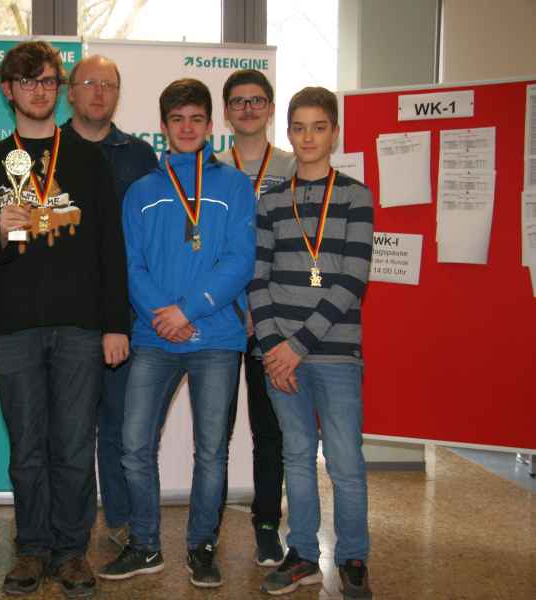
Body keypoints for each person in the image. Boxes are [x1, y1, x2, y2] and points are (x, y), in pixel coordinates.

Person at [0, 41, 130, 599]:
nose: (39, 90)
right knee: (27, 448)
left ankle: (71, 551)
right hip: (12, 328)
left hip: (81, 326)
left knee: (74, 447)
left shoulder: (87, 158)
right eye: (27, 80)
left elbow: (111, 248)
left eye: (48, 81)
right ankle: (32, 548)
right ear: (7, 90)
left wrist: (116, 324)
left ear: (58, 90)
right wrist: (4, 229)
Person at [98, 78, 255, 589]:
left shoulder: (235, 187)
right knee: (133, 445)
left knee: (211, 451)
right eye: (177, 119)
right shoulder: (143, 191)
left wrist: (187, 310)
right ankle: (145, 544)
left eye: (196, 119)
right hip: (153, 337)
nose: (187, 128)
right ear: (164, 127)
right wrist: (162, 316)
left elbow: (240, 260)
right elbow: (130, 263)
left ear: (210, 125)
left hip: (217, 338)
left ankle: (201, 545)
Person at [250, 86, 374, 599]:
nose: (308, 137)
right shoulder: (271, 200)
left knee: (345, 462)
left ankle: (352, 558)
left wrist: (296, 346)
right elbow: (257, 279)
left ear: (334, 134)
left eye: (318, 127)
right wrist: (273, 346)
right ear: (288, 133)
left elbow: (351, 280)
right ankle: (302, 554)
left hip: (333, 353)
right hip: (279, 356)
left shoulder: (356, 196)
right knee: (296, 458)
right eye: (299, 128)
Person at [62, 54, 158, 549]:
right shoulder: (48, 149)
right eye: (89, 83)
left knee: (121, 426)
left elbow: (155, 238)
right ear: (70, 92)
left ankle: (120, 522)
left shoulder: (140, 157)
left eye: (109, 85)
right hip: (66, 313)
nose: (99, 92)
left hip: (128, 312)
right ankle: (67, 528)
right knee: (68, 430)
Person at [215, 68, 295, 567]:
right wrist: (234, 304)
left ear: (269, 107)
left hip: (275, 319)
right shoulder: (210, 167)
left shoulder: (292, 164)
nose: (247, 109)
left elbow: (299, 244)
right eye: (238, 101)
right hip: (223, 316)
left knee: (270, 429)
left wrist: (262, 309)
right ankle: (208, 526)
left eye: (257, 100)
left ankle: (266, 523)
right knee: (216, 430)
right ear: (226, 112)